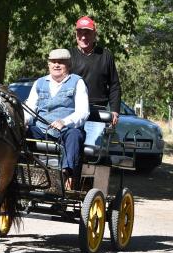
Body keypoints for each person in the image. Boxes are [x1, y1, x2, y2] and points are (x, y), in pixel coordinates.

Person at [24, 48, 89, 190]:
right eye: (53, 62)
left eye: (61, 62)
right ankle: (20, 169)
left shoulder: (77, 82)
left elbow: (83, 112)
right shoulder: (39, 83)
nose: (56, 65)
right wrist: (23, 121)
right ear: (48, 64)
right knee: (21, 133)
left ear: (69, 65)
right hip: (41, 130)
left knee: (75, 135)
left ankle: (66, 174)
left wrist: (64, 122)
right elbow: (29, 108)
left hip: (66, 130)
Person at [68, 16, 121, 126]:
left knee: (93, 143)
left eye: (87, 33)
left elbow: (114, 85)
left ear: (94, 34)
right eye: (80, 33)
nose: (83, 37)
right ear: (76, 35)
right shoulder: (68, 55)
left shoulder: (106, 55)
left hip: (98, 111)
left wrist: (115, 110)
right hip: (73, 110)